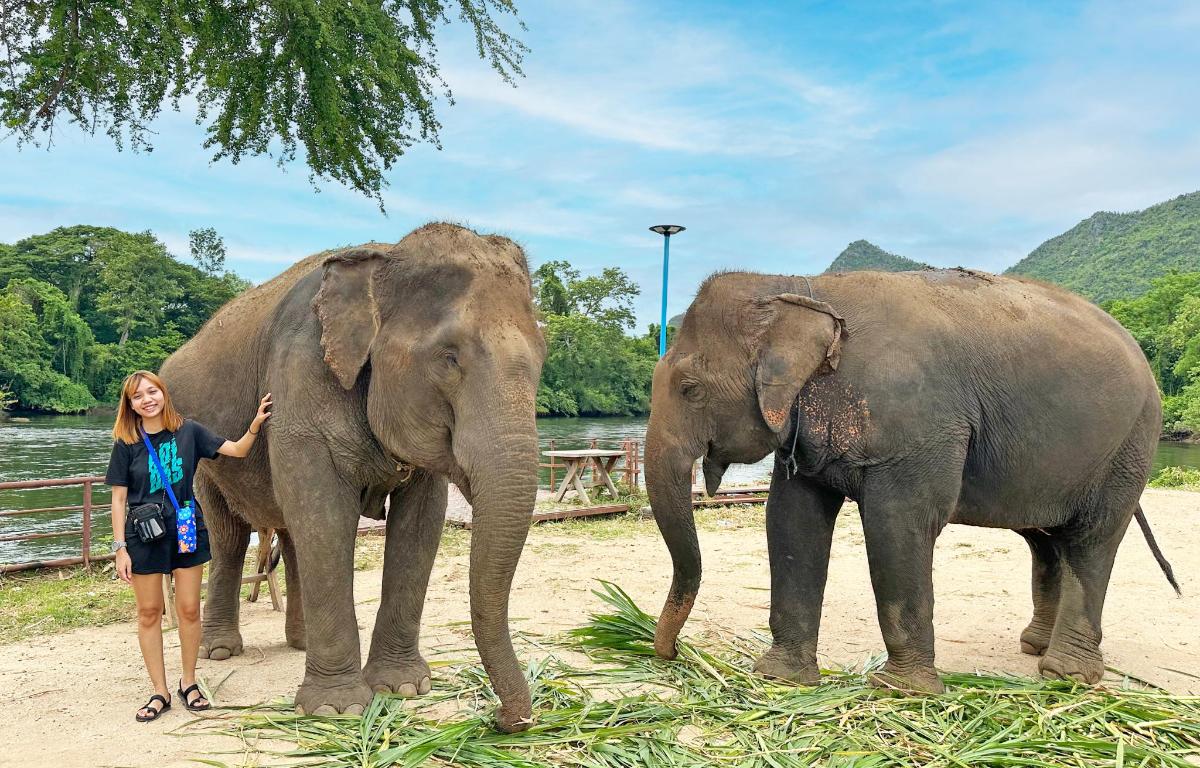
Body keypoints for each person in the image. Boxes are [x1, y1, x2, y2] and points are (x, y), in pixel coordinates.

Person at [105, 370, 271, 722]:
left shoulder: (189, 431)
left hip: (185, 527)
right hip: (143, 534)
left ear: (163, 393)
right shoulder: (126, 442)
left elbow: (238, 450)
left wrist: (255, 424)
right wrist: (120, 547)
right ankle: (159, 692)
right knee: (149, 612)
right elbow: (118, 500)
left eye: (152, 391)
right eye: (138, 396)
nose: (147, 399)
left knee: (189, 609)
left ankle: (189, 682)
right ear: (130, 404)